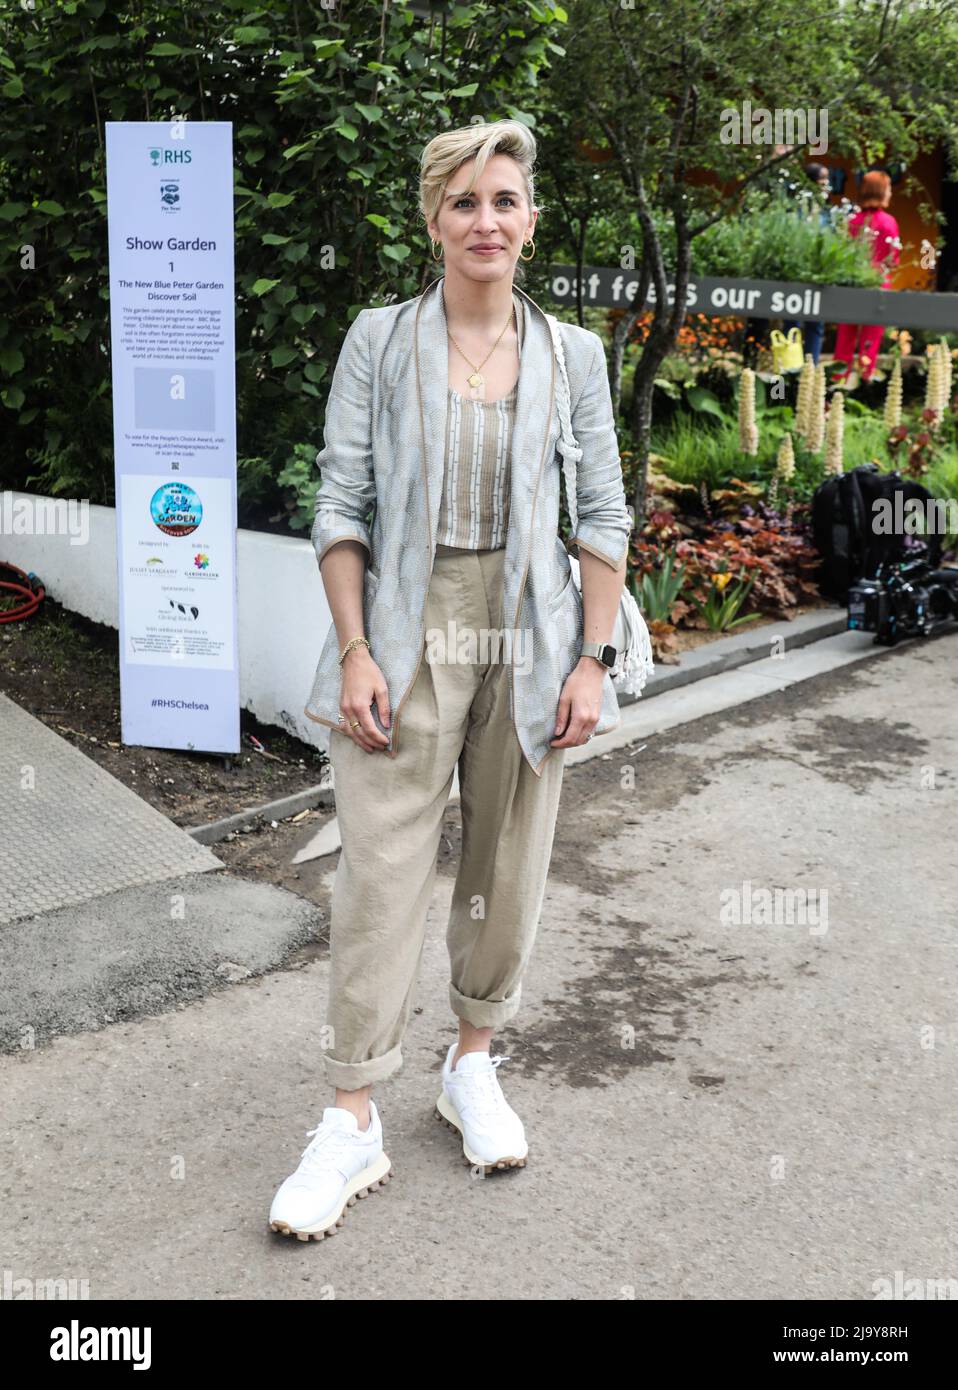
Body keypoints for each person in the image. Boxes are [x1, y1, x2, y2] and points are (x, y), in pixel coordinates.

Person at [269, 120, 633, 1241]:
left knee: (505, 859)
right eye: (465, 201)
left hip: (531, 633)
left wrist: (591, 658)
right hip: (406, 626)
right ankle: (351, 1114)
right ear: (433, 218)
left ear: (531, 220)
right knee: (377, 867)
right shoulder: (378, 341)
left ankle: (471, 1060)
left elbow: (606, 514)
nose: (486, 221)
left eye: (505, 201)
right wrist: (359, 649)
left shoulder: (570, 353)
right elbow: (340, 506)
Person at [832, 170, 902, 383]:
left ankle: (837, 380)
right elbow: (893, 260)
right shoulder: (889, 222)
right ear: (881, 191)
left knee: (845, 336)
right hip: (878, 285)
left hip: (852, 284)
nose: (890, 193)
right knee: (870, 340)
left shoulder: (852, 220)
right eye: (888, 189)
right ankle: (865, 380)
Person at [782, 162, 833, 364]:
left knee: (816, 325)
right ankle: (788, 369)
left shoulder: (826, 213)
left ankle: (810, 371)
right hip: (797, 274)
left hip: (818, 274)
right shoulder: (796, 210)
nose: (827, 184)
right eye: (823, 180)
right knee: (792, 323)